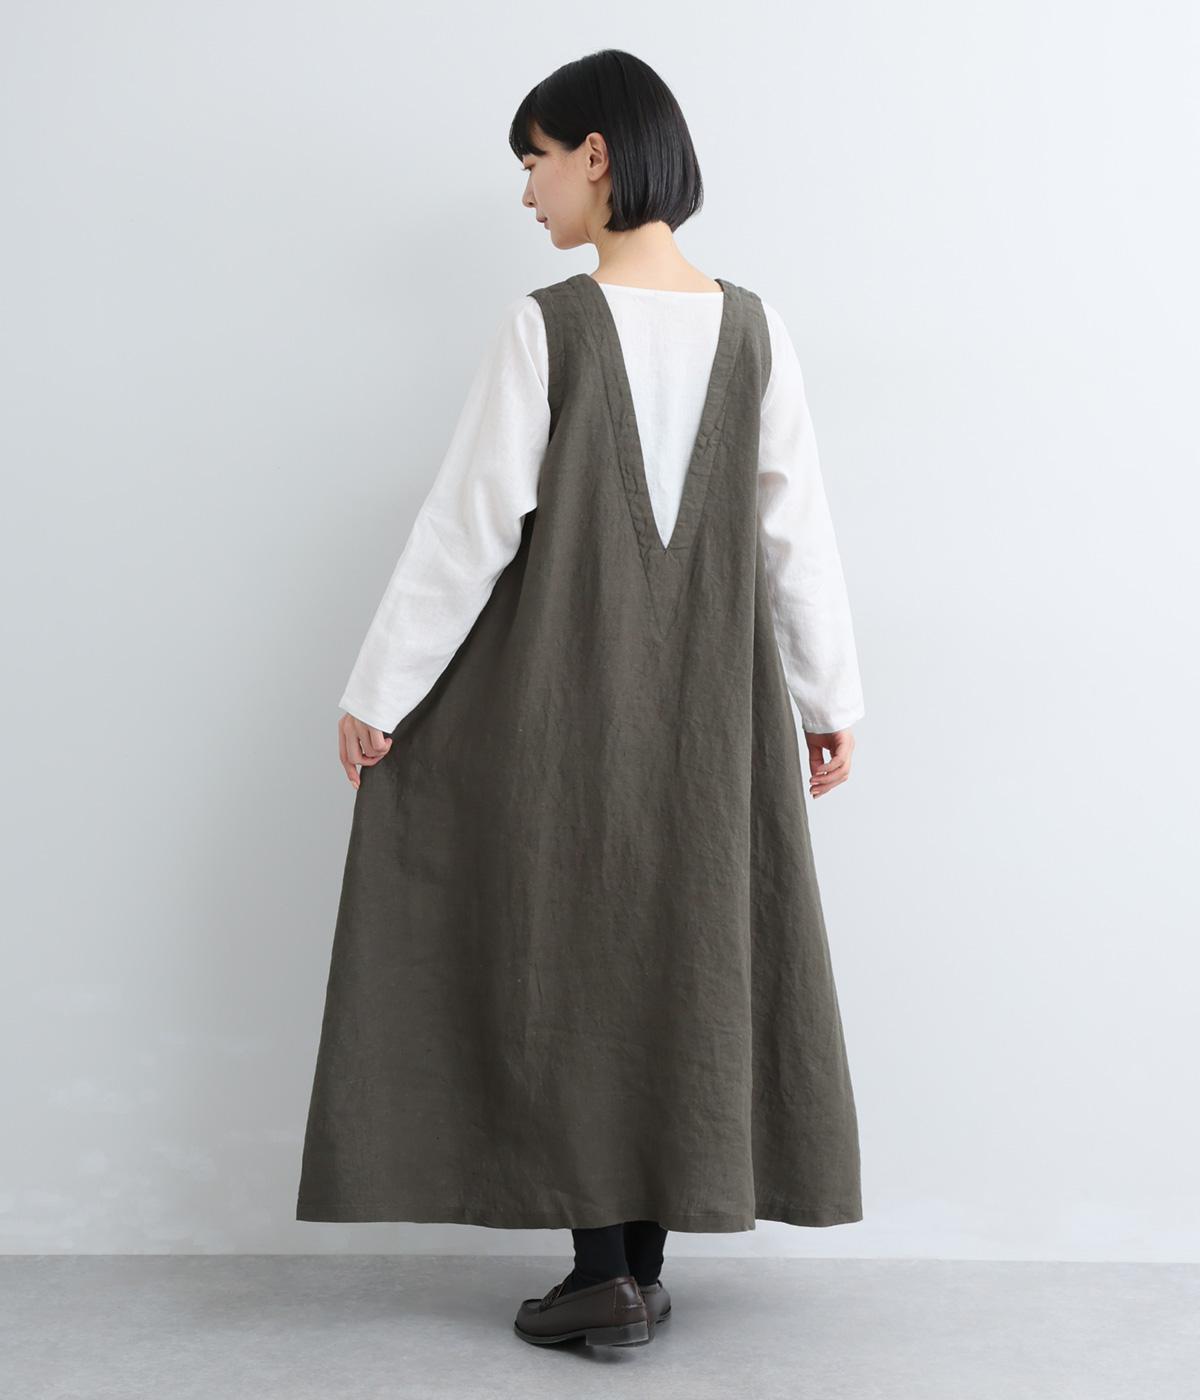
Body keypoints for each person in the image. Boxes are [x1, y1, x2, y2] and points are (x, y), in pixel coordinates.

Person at [296, 48, 866, 1352]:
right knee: (680, 951)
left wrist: (380, 692)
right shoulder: (755, 329)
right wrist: (828, 697)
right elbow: (798, 535)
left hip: (565, 704)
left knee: (576, 949)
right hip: (716, 718)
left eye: (535, 160)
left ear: (596, 156)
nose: (527, 192)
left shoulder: (545, 325)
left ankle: (604, 1273)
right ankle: (635, 1276)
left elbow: (469, 527)